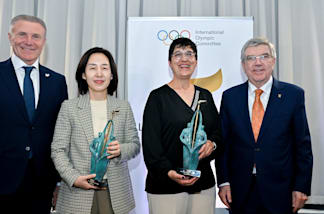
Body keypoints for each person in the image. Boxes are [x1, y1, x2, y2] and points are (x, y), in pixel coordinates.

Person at [0, 15, 68, 214]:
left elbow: (60, 137)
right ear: (10, 37)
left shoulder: (57, 82)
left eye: (36, 36)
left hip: (41, 186)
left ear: (43, 42)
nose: (29, 41)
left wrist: (59, 183)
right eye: (22, 34)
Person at [215, 37, 313, 214]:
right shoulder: (230, 97)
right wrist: (224, 182)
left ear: (273, 61)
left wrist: (301, 186)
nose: (257, 63)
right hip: (240, 191)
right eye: (251, 58)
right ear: (243, 65)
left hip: (281, 191)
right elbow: (224, 145)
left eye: (264, 56)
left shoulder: (293, 95)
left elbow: (302, 145)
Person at [51, 47, 140, 214]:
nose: (99, 74)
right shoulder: (69, 108)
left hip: (115, 195)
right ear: (83, 75)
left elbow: (135, 144)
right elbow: (58, 150)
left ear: (112, 75)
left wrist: (121, 149)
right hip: (77, 194)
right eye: (92, 68)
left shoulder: (123, 107)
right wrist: (74, 178)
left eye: (105, 68)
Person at [142, 37, 221, 214]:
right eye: (178, 54)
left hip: (203, 186)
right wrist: (169, 172)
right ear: (169, 62)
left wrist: (212, 144)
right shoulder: (158, 98)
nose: (184, 59)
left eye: (189, 54)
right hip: (165, 187)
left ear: (196, 61)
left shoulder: (205, 96)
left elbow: (218, 133)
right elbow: (151, 146)